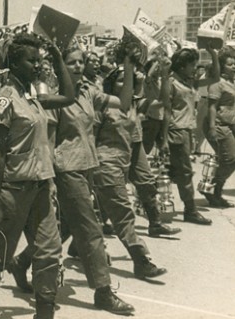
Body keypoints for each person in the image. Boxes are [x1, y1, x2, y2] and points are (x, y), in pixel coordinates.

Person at [0, 34, 74, 319]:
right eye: (30, 60)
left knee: (49, 250)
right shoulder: (5, 99)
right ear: (13, 63)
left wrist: (58, 59)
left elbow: (69, 96)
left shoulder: (33, 98)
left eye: (39, 60)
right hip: (14, 189)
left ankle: (44, 311)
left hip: (41, 186)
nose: (37, 65)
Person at [51, 47, 135, 316]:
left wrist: (129, 66)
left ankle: (20, 262)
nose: (77, 66)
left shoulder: (88, 91)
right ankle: (103, 292)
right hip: (67, 168)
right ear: (60, 65)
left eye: (80, 62)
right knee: (90, 230)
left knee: (66, 227)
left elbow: (122, 102)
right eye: (71, 62)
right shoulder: (53, 94)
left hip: (87, 167)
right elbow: (48, 138)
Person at [93, 62, 167, 280]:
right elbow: (91, 137)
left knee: (77, 220)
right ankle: (141, 261)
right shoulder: (102, 105)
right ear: (109, 84)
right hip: (105, 164)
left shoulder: (133, 104)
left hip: (122, 164)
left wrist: (159, 75)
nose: (126, 84)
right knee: (124, 214)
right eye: (120, 80)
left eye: (130, 81)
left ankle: (24, 260)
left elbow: (160, 103)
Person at [161, 47, 219, 225]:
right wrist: (163, 139)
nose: (195, 68)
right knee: (184, 172)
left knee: (175, 172)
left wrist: (213, 54)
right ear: (181, 66)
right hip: (176, 130)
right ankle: (190, 210)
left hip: (187, 131)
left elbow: (215, 78)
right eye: (191, 65)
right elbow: (167, 111)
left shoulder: (190, 83)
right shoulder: (171, 83)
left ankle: (153, 205)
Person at [205, 49, 235, 208]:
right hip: (219, 124)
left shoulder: (232, 82)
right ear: (222, 67)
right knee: (230, 158)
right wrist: (211, 128)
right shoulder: (217, 83)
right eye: (230, 64)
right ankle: (212, 188)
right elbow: (212, 106)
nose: (234, 66)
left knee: (230, 160)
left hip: (231, 125)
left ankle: (214, 189)